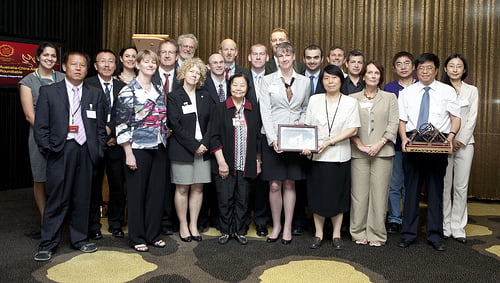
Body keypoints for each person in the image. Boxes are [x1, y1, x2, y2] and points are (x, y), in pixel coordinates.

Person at [33, 51, 107, 261]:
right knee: (57, 198)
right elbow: (41, 127)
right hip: (61, 150)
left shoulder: (95, 94)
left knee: (82, 198)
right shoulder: (49, 92)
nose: (78, 68)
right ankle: (48, 243)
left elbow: (100, 127)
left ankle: (80, 240)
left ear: (87, 69)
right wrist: (50, 148)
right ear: (64, 67)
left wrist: (98, 149)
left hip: (86, 151)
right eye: (73, 64)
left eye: (82, 65)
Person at [398, 53, 461, 251]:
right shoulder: (407, 92)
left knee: (435, 191)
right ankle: (408, 234)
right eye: (421, 68)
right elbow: (402, 120)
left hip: (438, 143)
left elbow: (455, 117)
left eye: (429, 68)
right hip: (413, 141)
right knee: (411, 191)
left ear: (436, 70)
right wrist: (403, 138)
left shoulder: (447, 91)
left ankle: (435, 235)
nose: (425, 72)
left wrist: (450, 138)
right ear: (417, 70)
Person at [301, 65, 360, 250]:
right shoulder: (314, 100)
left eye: (334, 78)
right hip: (317, 157)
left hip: (339, 157)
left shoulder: (350, 102)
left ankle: (336, 235)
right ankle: (318, 234)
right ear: (322, 81)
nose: (330, 81)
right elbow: (309, 127)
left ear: (341, 80)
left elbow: (353, 129)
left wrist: (329, 141)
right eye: (326, 78)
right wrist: (306, 146)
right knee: (318, 197)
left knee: (338, 197)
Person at [115, 49, 168, 252]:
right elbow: (122, 124)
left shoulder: (158, 88)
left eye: (153, 63)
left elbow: (163, 118)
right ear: (137, 65)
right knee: (137, 194)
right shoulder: (128, 91)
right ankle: (137, 237)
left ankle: (153, 234)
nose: (150, 65)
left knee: (156, 194)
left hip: (159, 147)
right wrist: (128, 152)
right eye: (146, 62)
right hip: (137, 149)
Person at [259, 42, 310, 245]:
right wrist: (273, 139)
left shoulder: (304, 82)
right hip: (273, 138)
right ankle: (277, 225)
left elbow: (306, 107)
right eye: (281, 55)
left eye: (288, 55)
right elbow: (265, 110)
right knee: (273, 185)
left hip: (295, 137)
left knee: (290, 183)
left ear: (294, 57)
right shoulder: (267, 80)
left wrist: (302, 123)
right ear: (276, 58)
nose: (285, 58)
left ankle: (288, 226)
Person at [349, 61, 399, 247]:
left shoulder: (390, 98)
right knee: (359, 195)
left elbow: (393, 123)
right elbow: (349, 124)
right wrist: (360, 145)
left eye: (376, 73)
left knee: (379, 194)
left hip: (383, 152)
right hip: (358, 152)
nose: (372, 76)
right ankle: (358, 231)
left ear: (381, 76)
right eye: (369, 72)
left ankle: (376, 234)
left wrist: (380, 143)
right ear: (363, 76)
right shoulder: (352, 98)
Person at [209, 74, 262, 245]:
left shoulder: (253, 109)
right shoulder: (220, 108)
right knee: (224, 198)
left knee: (243, 199)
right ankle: (225, 230)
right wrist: (221, 161)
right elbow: (214, 137)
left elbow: (258, 138)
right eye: (235, 85)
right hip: (225, 162)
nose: (238, 88)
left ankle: (240, 231)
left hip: (246, 163)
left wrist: (258, 161)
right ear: (229, 87)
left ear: (247, 88)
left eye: (242, 85)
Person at [19, 42, 65, 239]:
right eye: (46, 55)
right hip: (39, 137)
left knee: (61, 179)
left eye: (53, 56)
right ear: (38, 57)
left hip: (64, 136)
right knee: (40, 179)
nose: (50, 59)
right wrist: (47, 135)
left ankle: (61, 220)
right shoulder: (28, 82)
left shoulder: (63, 78)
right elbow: (30, 116)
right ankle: (46, 222)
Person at [168, 58, 213, 242]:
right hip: (182, 149)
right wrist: (194, 145)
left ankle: (194, 224)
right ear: (183, 73)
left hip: (203, 149)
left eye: (198, 73)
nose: (194, 75)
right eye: (191, 71)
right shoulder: (173, 97)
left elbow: (212, 123)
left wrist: (205, 143)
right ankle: (183, 225)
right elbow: (175, 125)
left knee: (198, 188)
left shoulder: (205, 96)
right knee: (182, 188)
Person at [85, 49, 127, 240]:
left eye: (110, 61)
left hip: (118, 143)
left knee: (117, 185)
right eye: (103, 61)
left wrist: (115, 133)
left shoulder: (123, 87)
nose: (107, 65)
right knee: (92, 186)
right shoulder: (87, 85)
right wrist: (104, 133)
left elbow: (127, 114)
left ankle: (116, 224)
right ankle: (93, 225)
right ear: (95, 65)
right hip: (94, 143)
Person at [441, 54, 478, 244]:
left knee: (461, 186)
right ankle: (445, 226)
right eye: (451, 66)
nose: (455, 69)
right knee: (445, 186)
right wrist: (447, 139)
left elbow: (472, 118)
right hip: (443, 143)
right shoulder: (440, 90)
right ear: (445, 69)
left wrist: (460, 140)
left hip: (465, 144)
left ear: (464, 70)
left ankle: (458, 227)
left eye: (459, 66)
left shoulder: (472, 91)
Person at [383, 51, 416, 234]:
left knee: (412, 184)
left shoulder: (421, 86)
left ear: (413, 66)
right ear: (394, 68)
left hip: (418, 145)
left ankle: (410, 216)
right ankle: (394, 218)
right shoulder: (389, 88)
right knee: (395, 184)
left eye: (406, 63)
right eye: (399, 64)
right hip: (395, 144)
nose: (403, 67)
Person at [151, 39, 181, 236]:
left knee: (176, 180)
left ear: (177, 56)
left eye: (171, 52)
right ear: (158, 55)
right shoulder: (148, 76)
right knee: (158, 180)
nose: (168, 56)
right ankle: (158, 220)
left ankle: (172, 221)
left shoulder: (184, 76)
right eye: (164, 52)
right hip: (153, 137)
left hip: (178, 136)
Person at [247, 43, 270, 236]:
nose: (258, 57)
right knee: (246, 178)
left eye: (261, 54)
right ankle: (243, 219)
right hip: (245, 133)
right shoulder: (241, 78)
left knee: (263, 180)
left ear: (267, 58)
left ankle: (261, 220)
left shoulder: (273, 79)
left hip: (266, 134)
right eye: (255, 54)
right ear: (249, 57)